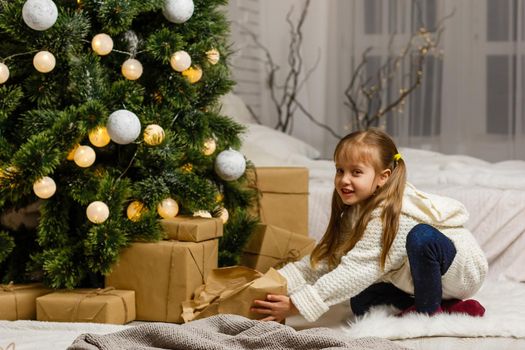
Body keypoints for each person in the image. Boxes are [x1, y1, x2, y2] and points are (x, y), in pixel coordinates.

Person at [251, 128, 488, 323]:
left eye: (356, 172)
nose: (344, 180)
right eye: (340, 170)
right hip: (420, 279)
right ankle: (451, 307)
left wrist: (295, 306)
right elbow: (325, 261)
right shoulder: (354, 213)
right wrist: (276, 282)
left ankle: (428, 313)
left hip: (459, 271)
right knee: (360, 302)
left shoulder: (390, 214)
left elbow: (356, 269)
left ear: (382, 177)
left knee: (421, 236)